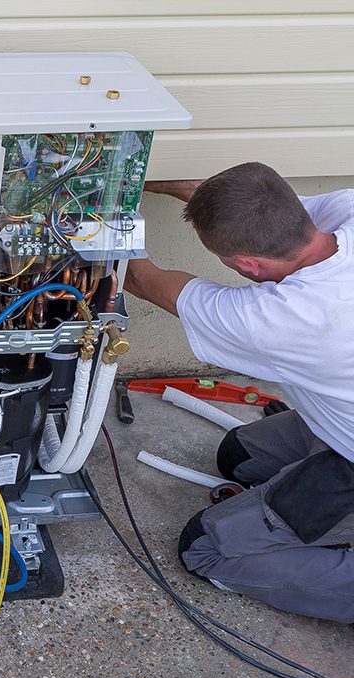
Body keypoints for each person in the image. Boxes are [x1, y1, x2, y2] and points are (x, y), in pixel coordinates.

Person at [123, 162, 354, 624]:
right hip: (341, 423)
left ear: (247, 264)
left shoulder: (289, 318)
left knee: (206, 550)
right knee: (239, 457)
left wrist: (94, 216)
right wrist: (124, 178)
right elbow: (209, 192)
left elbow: (141, 279)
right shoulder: (343, 210)